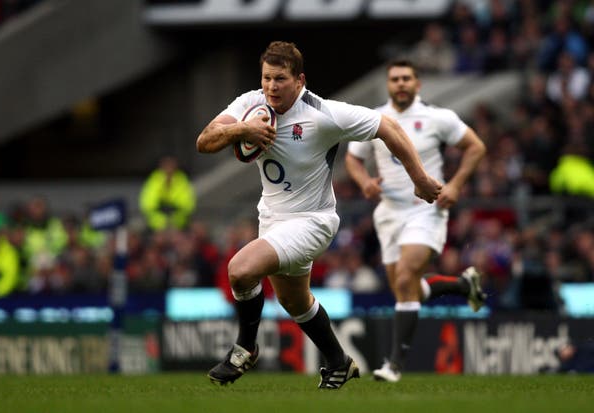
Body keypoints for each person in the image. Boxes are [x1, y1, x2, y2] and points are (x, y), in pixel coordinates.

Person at [196, 42, 442, 389]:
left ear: (300, 80)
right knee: (295, 302)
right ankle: (339, 362)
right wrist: (242, 130)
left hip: (313, 221)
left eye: (280, 78)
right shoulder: (250, 104)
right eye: (267, 78)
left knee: (240, 270)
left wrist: (419, 177)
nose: (271, 86)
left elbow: (388, 127)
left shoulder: (323, 114)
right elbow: (204, 141)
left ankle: (245, 347)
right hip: (272, 218)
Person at [345, 59, 487, 383]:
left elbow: (476, 147)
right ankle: (463, 285)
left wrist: (454, 185)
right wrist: (364, 181)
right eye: (395, 79)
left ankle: (393, 365)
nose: (401, 84)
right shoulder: (375, 119)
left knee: (408, 276)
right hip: (388, 213)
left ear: (418, 84)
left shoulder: (437, 117)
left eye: (407, 78)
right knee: (406, 290)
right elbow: (353, 158)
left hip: (426, 208)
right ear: (388, 85)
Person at [139, 156, 197, 231]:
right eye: (166, 165)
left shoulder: (182, 180)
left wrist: (174, 210)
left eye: (171, 165)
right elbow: (147, 204)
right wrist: (161, 212)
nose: (169, 168)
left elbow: (188, 204)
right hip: (156, 225)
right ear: (161, 167)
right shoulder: (154, 179)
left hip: (178, 224)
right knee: (159, 239)